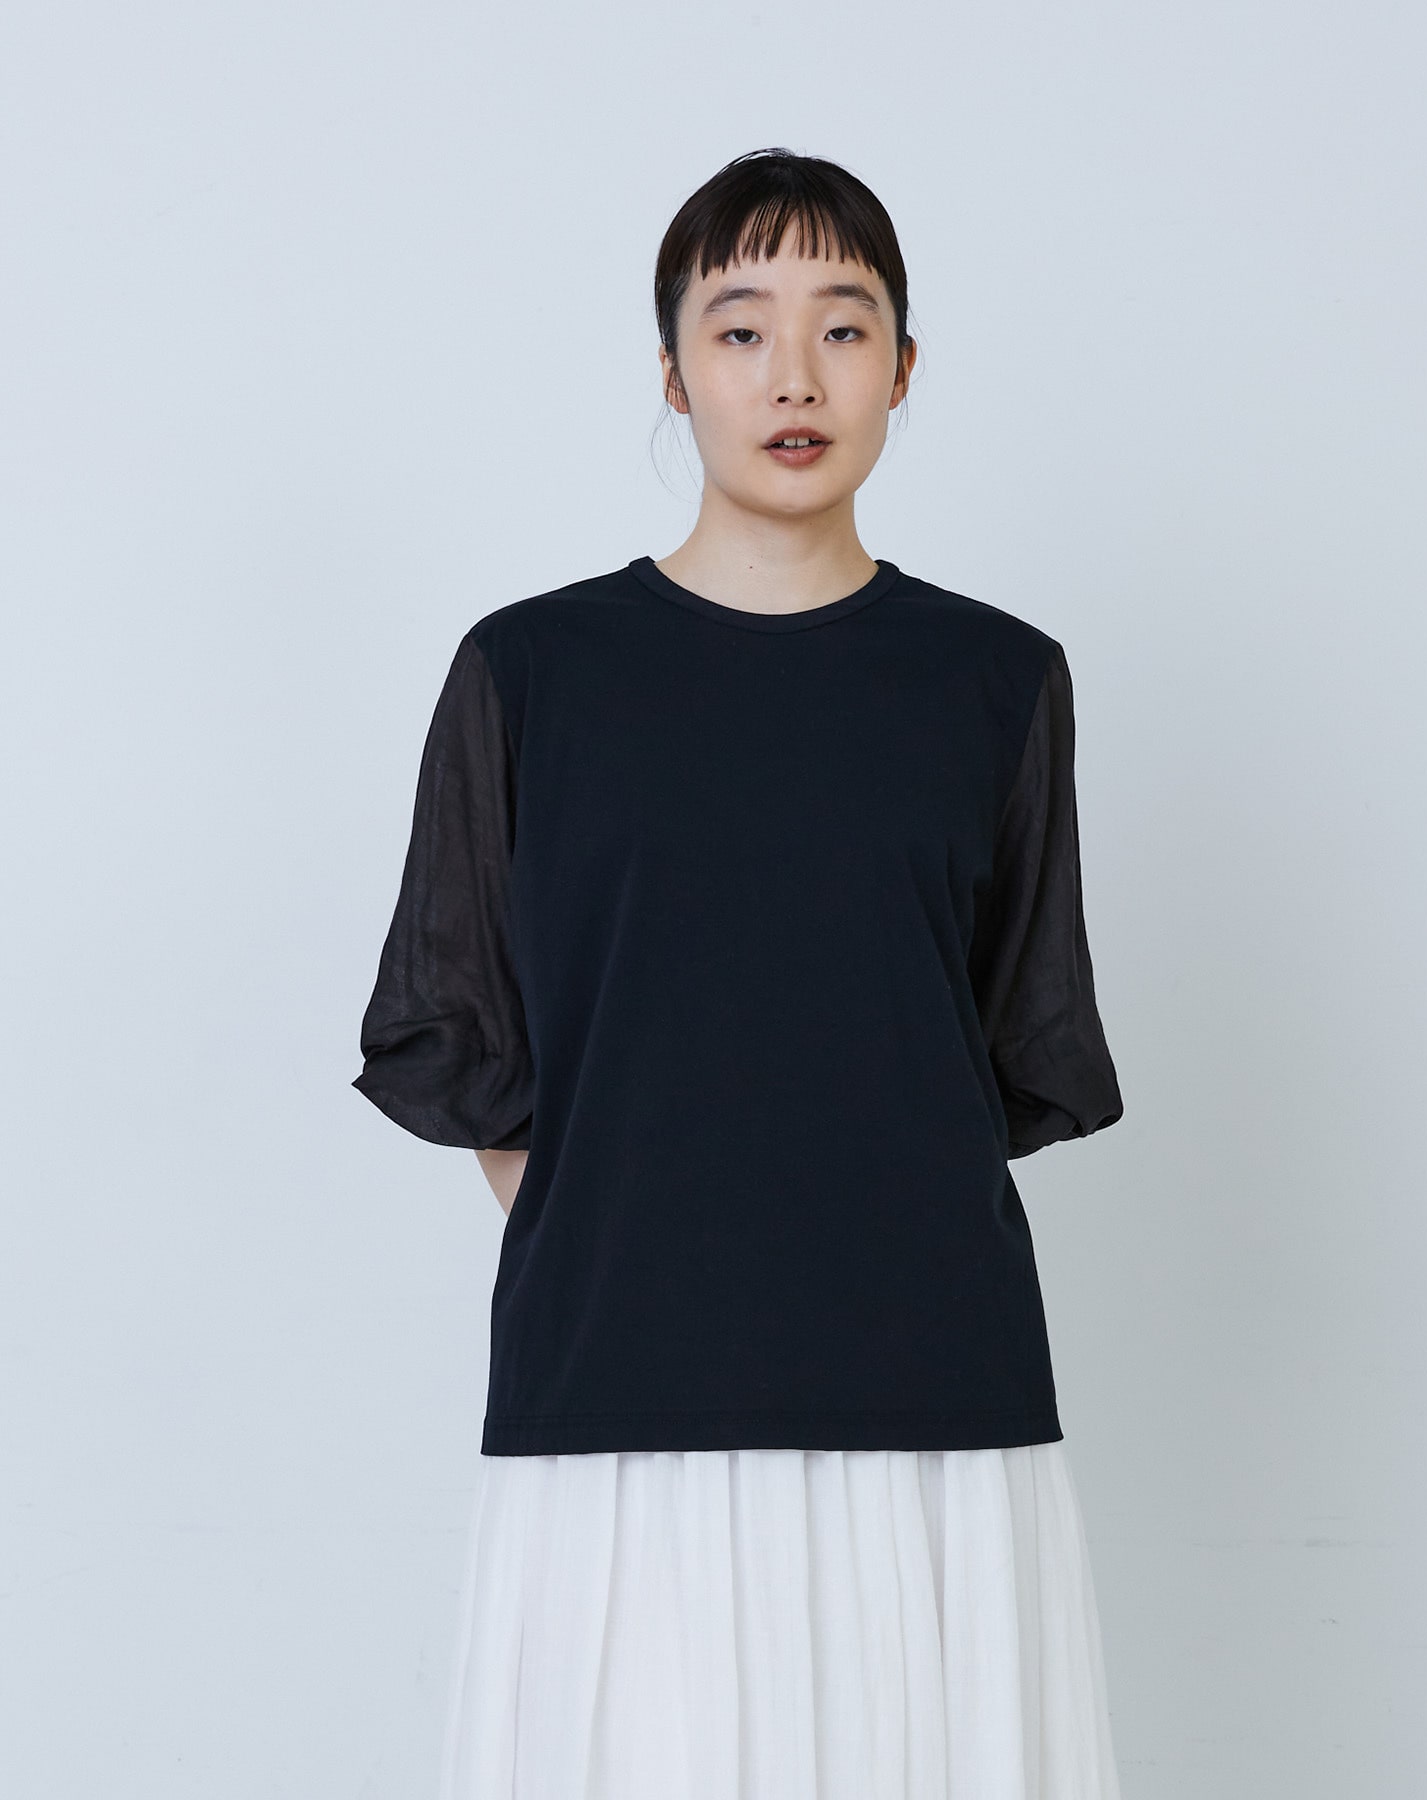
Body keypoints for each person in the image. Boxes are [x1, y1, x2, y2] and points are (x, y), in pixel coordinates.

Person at [352, 145, 1127, 1800]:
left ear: (904, 370)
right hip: (615, 1399)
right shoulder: (529, 674)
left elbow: (1007, 1037)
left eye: (844, 328)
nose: (794, 376)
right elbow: (457, 1030)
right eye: (740, 327)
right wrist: (638, 1233)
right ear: (672, 370)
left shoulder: (997, 682)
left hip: (934, 1398)